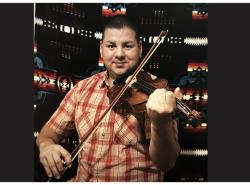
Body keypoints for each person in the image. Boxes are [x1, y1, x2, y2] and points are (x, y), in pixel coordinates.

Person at [36, 15, 181, 182]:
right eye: (111, 46)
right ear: (101, 49)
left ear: (140, 49)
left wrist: (161, 123)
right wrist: (46, 146)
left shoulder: (156, 94)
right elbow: (46, 135)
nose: (119, 54)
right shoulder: (81, 89)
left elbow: (166, 163)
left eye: (127, 46)